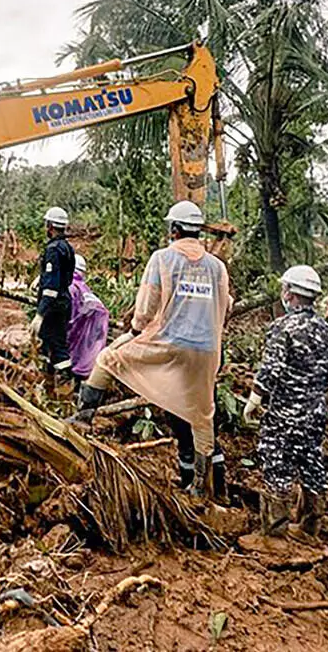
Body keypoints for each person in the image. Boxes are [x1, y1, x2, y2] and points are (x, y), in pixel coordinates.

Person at [71, 201, 231, 497]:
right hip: (207, 351)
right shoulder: (217, 267)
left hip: (168, 343)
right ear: (198, 232)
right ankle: (200, 485)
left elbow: (147, 305)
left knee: (107, 359)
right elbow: (226, 305)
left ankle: (82, 418)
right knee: (201, 416)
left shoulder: (163, 258)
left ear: (174, 230)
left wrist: (134, 331)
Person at [242, 265, 328, 540]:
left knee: (277, 464)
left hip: (285, 412)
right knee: (312, 462)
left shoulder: (283, 328)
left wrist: (255, 398)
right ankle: (310, 528)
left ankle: (274, 534)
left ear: (290, 293)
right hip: (316, 411)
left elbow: (271, 369)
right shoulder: (327, 331)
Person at [37, 207, 76, 377]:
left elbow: (52, 288)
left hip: (54, 305)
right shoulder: (67, 247)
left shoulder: (53, 249)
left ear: (50, 226)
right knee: (49, 342)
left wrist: (40, 314)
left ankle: (64, 383)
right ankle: (49, 380)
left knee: (56, 345)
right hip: (63, 302)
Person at [66, 254, 110, 382]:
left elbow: (69, 317)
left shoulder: (71, 287)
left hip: (81, 335)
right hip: (95, 335)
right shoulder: (82, 287)